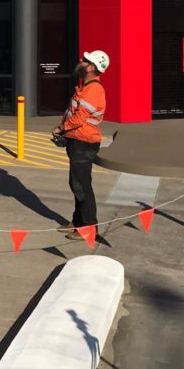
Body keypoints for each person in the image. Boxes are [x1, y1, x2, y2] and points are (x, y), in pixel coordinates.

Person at [52, 50, 109, 240]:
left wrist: (60, 129)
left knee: (82, 186)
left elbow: (79, 118)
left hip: (84, 143)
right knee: (76, 184)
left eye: (85, 60)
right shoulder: (87, 87)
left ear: (92, 67)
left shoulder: (93, 89)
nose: (81, 61)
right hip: (78, 141)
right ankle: (78, 222)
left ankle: (89, 228)